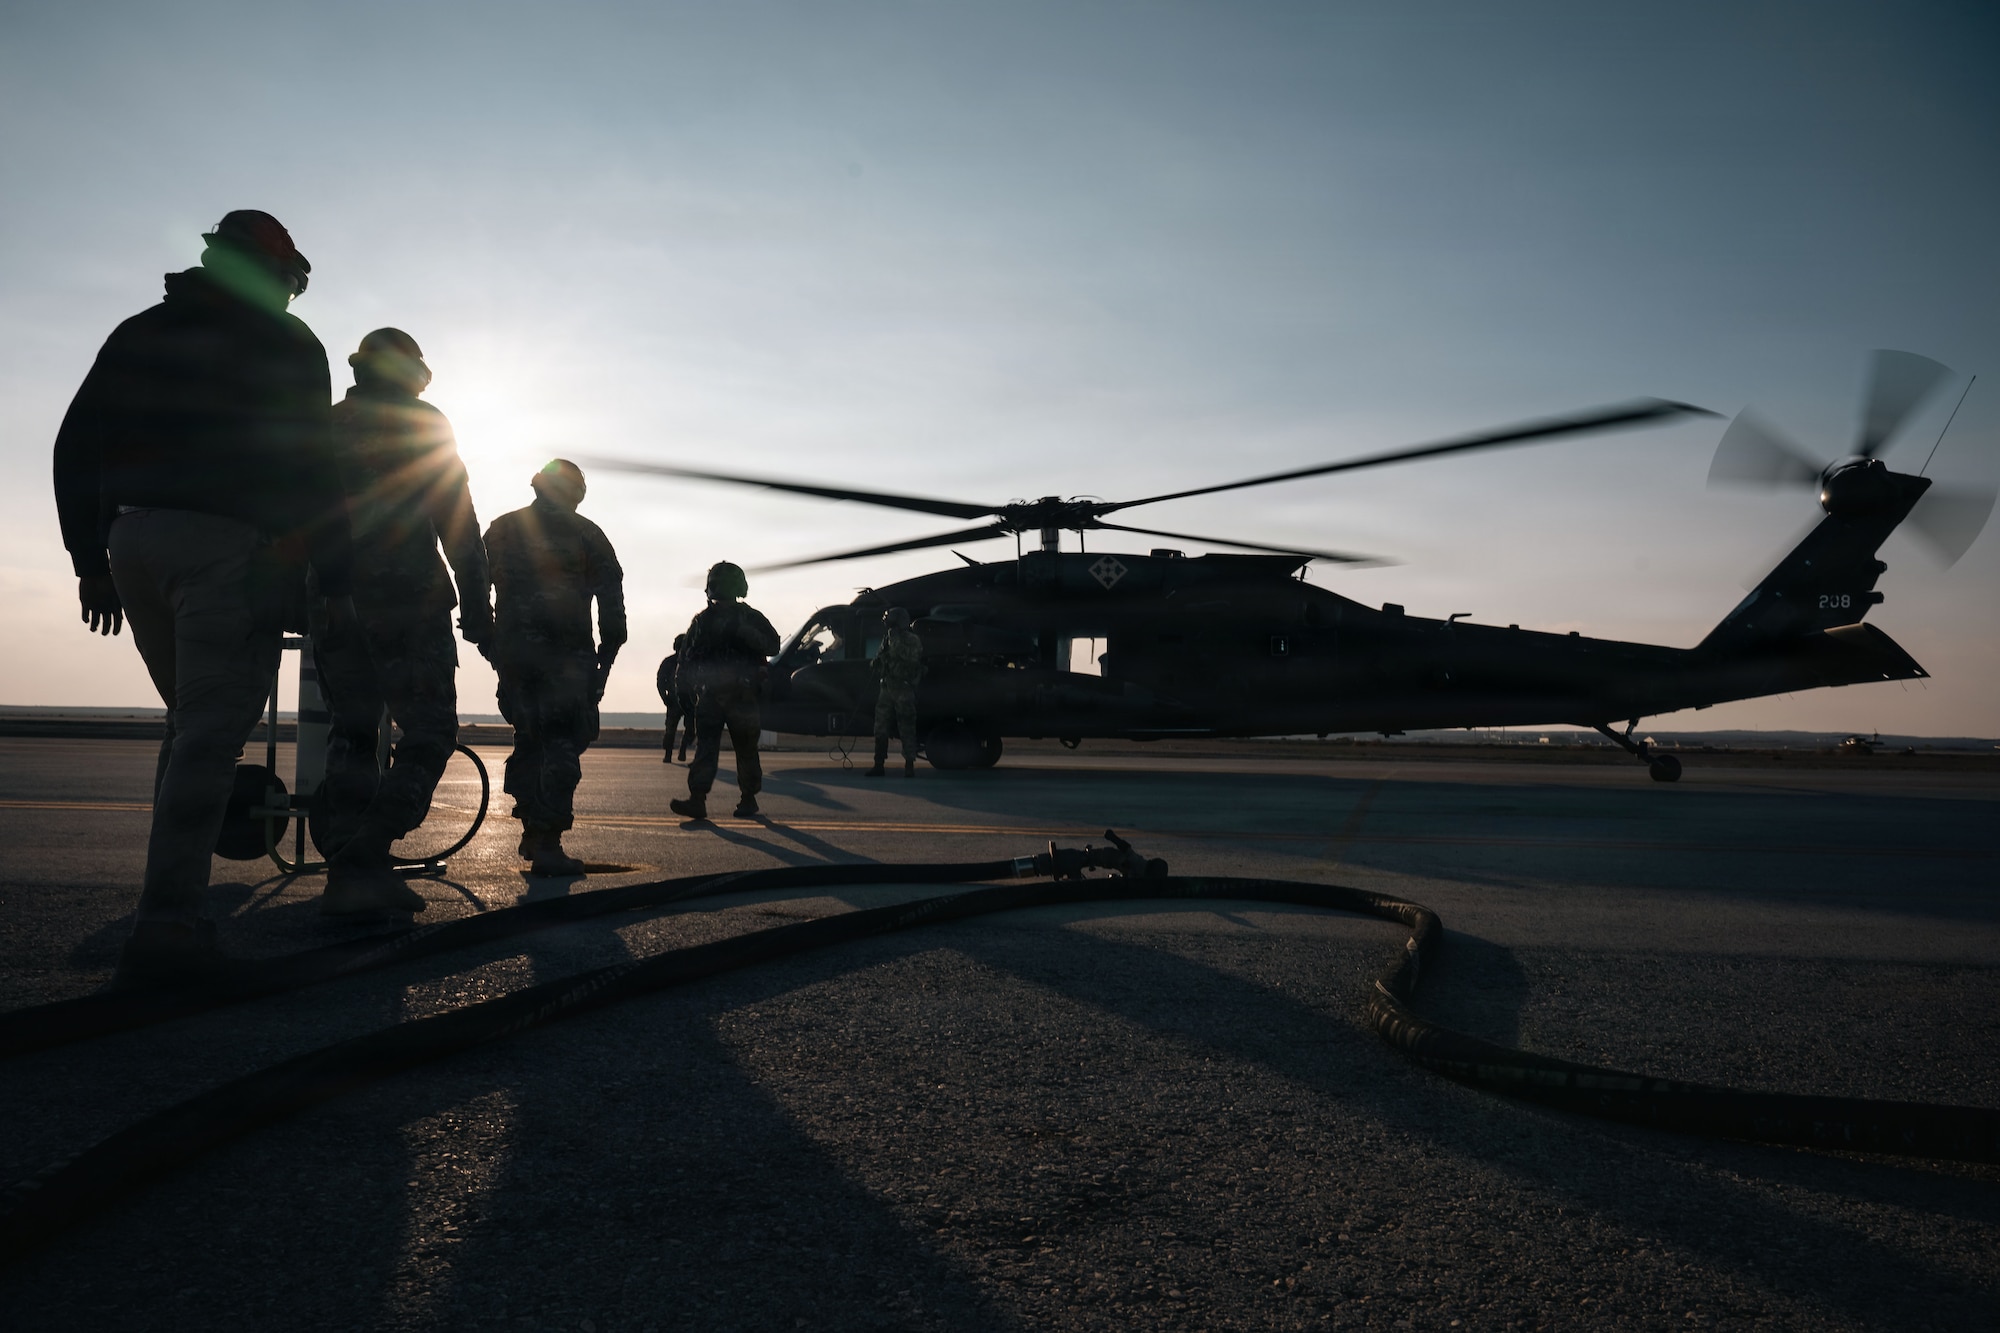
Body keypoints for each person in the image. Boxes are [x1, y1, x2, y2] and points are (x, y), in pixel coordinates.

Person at [52, 209, 352, 983]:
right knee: (212, 735)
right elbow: (315, 468)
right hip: (224, 546)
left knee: (188, 724)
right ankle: (169, 928)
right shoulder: (288, 344)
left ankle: (171, 904)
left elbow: (74, 444)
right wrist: (334, 578)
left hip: (132, 542)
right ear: (273, 274)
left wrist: (91, 561)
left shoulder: (140, 331)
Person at [314, 328, 491, 916]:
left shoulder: (327, 424)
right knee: (431, 731)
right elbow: (457, 520)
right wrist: (478, 605)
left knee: (353, 733)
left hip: (334, 601)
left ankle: (347, 872)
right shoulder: (423, 423)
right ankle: (365, 853)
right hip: (407, 601)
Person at [484, 460, 624, 875]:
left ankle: (531, 826)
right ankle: (546, 842)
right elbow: (611, 597)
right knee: (562, 743)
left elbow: (476, 584)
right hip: (567, 658)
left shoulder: (500, 529)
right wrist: (608, 653)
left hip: (514, 657)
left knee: (529, 739)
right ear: (575, 493)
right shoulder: (586, 533)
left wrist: (490, 643)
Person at [670, 561, 779, 820]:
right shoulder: (706, 621)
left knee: (735, 748)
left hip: (735, 695)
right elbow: (687, 660)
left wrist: (744, 633)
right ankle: (714, 799)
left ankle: (736, 798)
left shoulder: (741, 619)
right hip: (717, 696)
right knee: (723, 748)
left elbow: (772, 645)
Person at [867, 607, 924, 777]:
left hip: (903, 689)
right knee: (880, 728)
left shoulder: (911, 640)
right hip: (887, 688)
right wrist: (877, 663)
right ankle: (878, 764)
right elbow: (880, 659)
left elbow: (909, 657)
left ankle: (909, 765)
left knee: (906, 728)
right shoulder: (888, 639)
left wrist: (895, 639)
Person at [655, 633, 695, 763]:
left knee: (691, 729)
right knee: (670, 730)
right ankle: (668, 754)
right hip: (674, 700)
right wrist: (664, 697)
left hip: (690, 701)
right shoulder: (669, 662)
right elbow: (661, 680)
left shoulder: (692, 662)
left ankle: (682, 748)